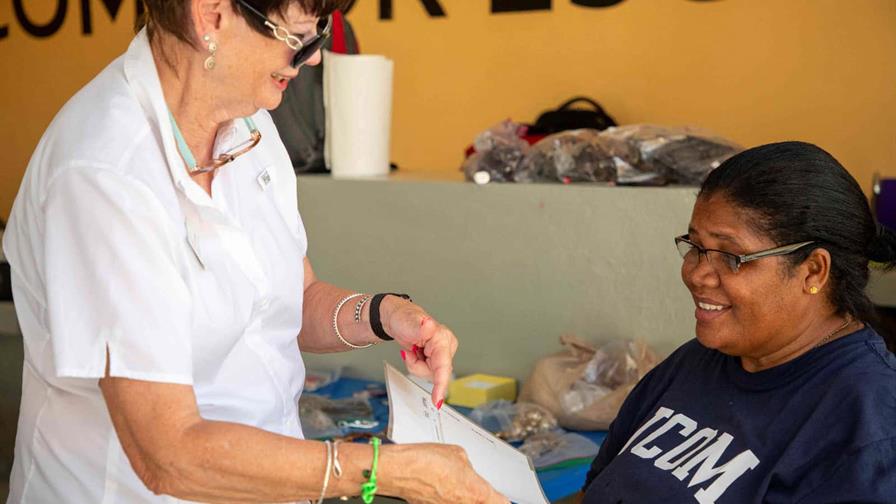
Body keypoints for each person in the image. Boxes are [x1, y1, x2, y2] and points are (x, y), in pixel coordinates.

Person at [2, 1, 506, 502]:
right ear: (211, 15)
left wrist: (385, 314)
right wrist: (389, 471)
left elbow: (292, 298)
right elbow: (167, 454)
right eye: (299, 37)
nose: (313, 57)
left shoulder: (248, 125)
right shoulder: (106, 174)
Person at [577, 142, 896, 503]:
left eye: (731, 257)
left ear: (813, 271)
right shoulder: (693, 363)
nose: (696, 275)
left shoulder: (869, 429)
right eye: (695, 247)